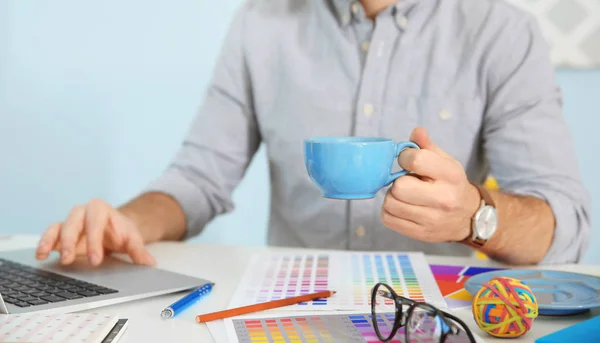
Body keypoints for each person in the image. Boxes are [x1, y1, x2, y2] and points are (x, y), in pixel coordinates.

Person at [35, 0, 590, 268]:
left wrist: (475, 215)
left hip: (434, 311)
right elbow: (199, 179)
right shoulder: (260, 24)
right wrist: (126, 222)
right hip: (289, 306)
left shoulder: (501, 32)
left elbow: (565, 229)